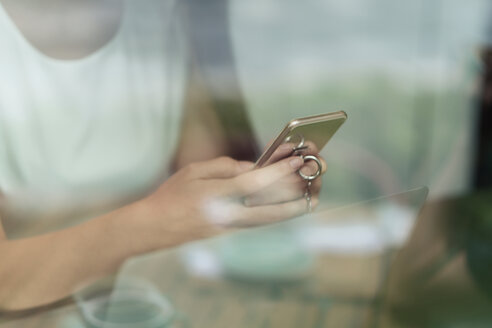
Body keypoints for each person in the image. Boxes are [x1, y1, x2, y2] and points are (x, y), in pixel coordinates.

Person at [0, 0, 324, 311]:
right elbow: (6, 282)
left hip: (138, 297)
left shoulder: (161, 13)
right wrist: (152, 221)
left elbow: (198, 172)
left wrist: (251, 187)